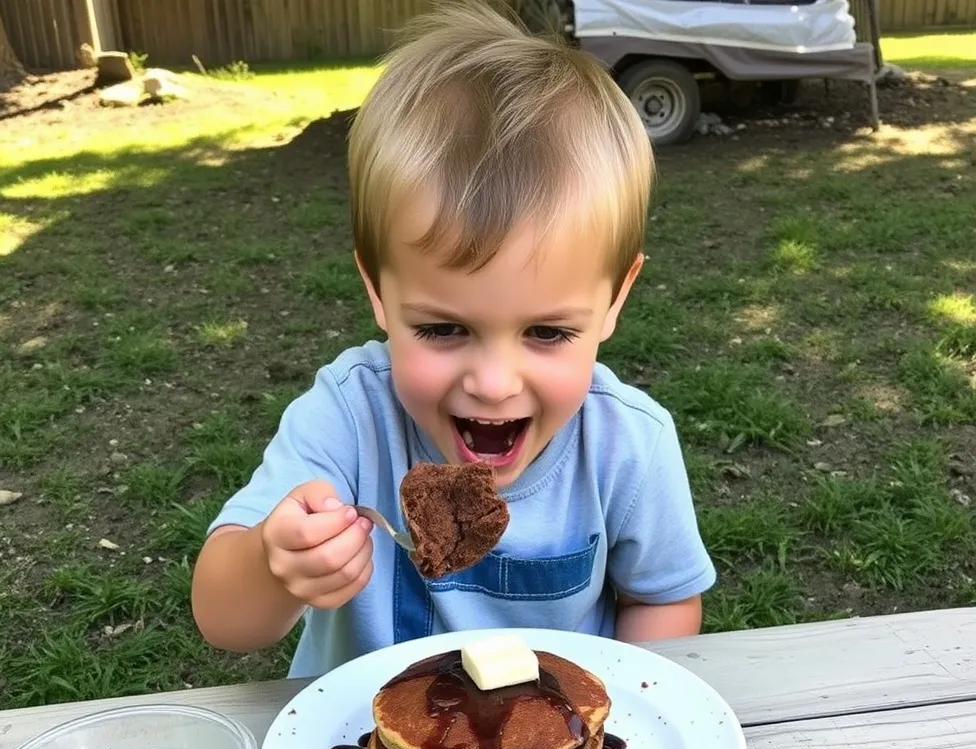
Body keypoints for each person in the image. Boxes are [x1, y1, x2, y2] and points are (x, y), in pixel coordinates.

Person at [191, 1, 715, 679]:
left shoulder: (627, 446)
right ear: (378, 291)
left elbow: (662, 599)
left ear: (615, 300)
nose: (494, 382)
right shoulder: (349, 421)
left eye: (548, 332)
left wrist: (629, 700)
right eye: (443, 329)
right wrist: (275, 564)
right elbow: (224, 621)